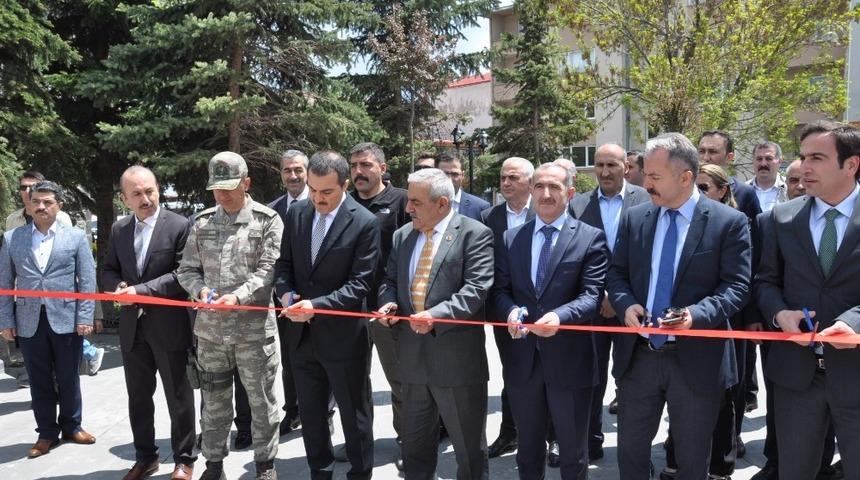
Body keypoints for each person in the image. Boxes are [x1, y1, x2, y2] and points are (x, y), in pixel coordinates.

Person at [607, 133, 751, 479]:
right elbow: (617, 274)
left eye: (655, 177)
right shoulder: (635, 218)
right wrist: (625, 304)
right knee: (629, 454)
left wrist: (695, 316)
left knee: (691, 457)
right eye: (645, 175)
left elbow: (737, 286)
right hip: (639, 356)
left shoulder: (728, 223)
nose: (645, 183)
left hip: (697, 360)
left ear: (685, 177)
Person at [754, 120, 860, 480]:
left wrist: (853, 322)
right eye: (802, 156)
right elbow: (765, 281)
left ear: (851, 164)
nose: (805, 167)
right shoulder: (781, 218)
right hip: (797, 376)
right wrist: (779, 313)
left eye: (817, 157)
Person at [493, 162, 609, 480]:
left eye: (554, 187)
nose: (546, 194)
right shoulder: (510, 238)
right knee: (528, 454)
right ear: (531, 190)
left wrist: (559, 316)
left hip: (571, 362)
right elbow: (500, 291)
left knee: (572, 455)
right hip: (523, 363)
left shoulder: (590, 238)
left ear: (569, 193)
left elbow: (591, 296)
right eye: (540, 186)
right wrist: (511, 312)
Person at [377, 167, 494, 480]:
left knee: (468, 451)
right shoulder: (402, 236)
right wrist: (388, 302)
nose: (407, 207)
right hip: (412, 362)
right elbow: (389, 280)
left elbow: (476, 290)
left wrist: (436, 316)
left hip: (456, 363)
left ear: (442, 204)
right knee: (414, 449)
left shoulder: (474, 233)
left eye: (415, 201)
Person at [177, 152, 284, 480]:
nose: (222, 195)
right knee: (213, 404)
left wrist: (236, 296)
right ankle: (213, 464)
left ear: (246, 182)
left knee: (262, 404)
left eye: (230, 187)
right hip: (211, 336)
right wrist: (201, 292)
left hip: (253, 335)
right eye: (217, 189)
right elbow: (186, 270)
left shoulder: (267, 221)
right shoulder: (203, 222)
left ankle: (265, 464)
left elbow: (268, 271)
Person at [274, 150, 380, 480]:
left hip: (344, 338)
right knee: (312, 413)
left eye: (327, 192)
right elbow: (284, 266)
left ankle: (360, 474)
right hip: (301, 337)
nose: (318, 199)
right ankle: (320, 472)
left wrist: (315, 307)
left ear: (345, 185)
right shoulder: (298, 214)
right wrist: (286, 293)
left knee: (354, 414)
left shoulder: (364, 223)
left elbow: (360, 285)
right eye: (313, 190)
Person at [101, 166, 197, 480]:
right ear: (124, 198)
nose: (146, 199)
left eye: (150, 191)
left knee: (178, 397)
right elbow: (108, 269)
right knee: (138, 398)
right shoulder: (119, 229)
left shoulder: (180, 225)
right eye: (137, 194)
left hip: (169, 327)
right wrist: (117, 288)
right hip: (133, 330)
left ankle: (184, 459)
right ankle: (146, 458)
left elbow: (183, 275)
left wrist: (139, 291)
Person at [0, 181, 98, 458]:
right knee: (38, 378)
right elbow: (4, 281)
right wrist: (5, 320)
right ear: (29, 206)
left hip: (66, 317)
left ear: (59, 206)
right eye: (36, 202)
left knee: (69, 376)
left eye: (47, 202)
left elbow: (88, 281)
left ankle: (72, 426)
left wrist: (85, 316)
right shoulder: (12, 238)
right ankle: (46, 433)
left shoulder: (76, 237)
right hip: (29, 319)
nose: (41, 207)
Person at [567, 143, 649, 462]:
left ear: (626, 167)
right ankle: (591, 444)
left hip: (633, 309)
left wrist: (619, 297)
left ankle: (633, 454)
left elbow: (647, 258)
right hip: (592, 309)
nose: (604, 172)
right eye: (599, 165)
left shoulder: (645, 200)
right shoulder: (579, 205)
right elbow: (573, 257)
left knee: (632, 383)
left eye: (611, 165)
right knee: (591, 379)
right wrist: (599, 295)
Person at [348, 142, 409, 469]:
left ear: (382, 168)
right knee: (355, 382)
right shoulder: (345, 202)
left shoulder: (400, 201)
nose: (359, 171)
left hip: (389, 310)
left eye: (366, 165)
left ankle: (406, 441)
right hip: (349, 309)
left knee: (400, 381)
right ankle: (360, 443)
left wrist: (397, 300)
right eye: (354, 165)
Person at [481, 157, 535, 460]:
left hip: (543, 307)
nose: (505, 183)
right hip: (504, 308)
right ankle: (510, 432)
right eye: (503, 177)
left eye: (512, 177)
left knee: (548, 372)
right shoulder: (490, 216)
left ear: (529, 182)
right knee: (513, 372)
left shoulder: (543, 211)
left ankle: (551, 435)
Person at [2, 171, 74, 388]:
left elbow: (71, 264)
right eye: (23, 187)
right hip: (25, 296)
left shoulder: (61, 218)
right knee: (33, 357)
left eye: (31, 186)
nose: (26, 191)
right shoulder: (12, 221)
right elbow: (8, 266)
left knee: (59, 362)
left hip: (57, 301)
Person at [267, 149, 310, 436]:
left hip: (321, 299)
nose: (293, 176)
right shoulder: (272, 210)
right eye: (287, 171)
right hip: (285, 299)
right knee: (291, 358)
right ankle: (293, 411)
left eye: (298, 170)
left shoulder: (324, 202)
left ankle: (325, 411)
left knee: (322, 357)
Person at [698, 130, 762, 222]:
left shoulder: (744, 192)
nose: (705, 158)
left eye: (713, 152)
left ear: (729, 157)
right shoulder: (687, 188)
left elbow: (756, 233)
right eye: (701, 151)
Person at [437, 152, 490, 220]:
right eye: (445, 173)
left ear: (462, 175)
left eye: (455, 174)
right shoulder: (423, 205)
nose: (449, 179)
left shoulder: (480, 208)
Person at [747, 141, 788, 212]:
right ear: (753, 161)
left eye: (769, 159)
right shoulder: (742, 190)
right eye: (759, 159)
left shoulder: (789, 187)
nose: (763, 164)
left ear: (780, 161)